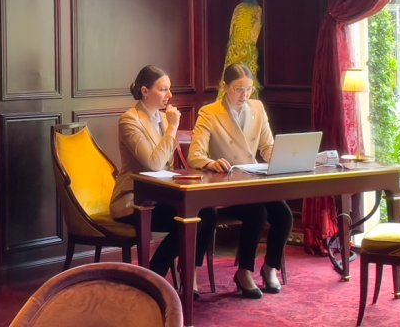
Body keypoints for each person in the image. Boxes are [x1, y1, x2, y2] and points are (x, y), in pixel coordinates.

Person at [187, 62, 293, 299]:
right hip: (225, 187)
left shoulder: (257, 107)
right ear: (225, 87)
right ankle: (244, 273)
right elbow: (195, 155)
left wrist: (285, 159)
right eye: (238, 89)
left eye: (248, 89)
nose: (244, 95)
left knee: (284, 215)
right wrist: (210, 163)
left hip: (253, 182)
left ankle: (269, 268)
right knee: (257, 213)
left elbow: (267, 147)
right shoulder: (210, 112)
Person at [110, 65, 217, 297]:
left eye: (170, 89)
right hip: (134, 201)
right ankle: (153, 280)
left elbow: (169, 165)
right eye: (163, 89)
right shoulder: (129, 121)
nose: (169, 95)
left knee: (207, 213)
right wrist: (173, 128)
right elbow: (154, 164)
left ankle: (189, 275)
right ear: (145, 91)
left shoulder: (161, 117)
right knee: (188, 222)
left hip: (161, 196)